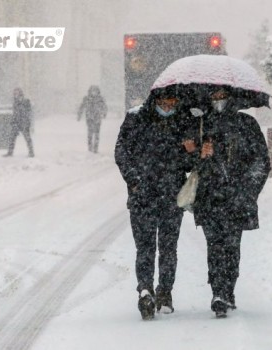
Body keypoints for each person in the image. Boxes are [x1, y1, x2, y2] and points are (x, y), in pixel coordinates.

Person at [183, 86, 270, 318]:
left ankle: (228, 289)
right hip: (209, 197)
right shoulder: (200, 125)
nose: (218, 100)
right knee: (214, 246)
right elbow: (188, 164)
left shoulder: (246, 124)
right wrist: (198, 154)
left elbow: (261, 160)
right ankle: (218, 292)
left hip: (236, 198)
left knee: (231, 247)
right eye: (214, 96)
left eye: (223, 96)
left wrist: (248, 190)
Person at [114, 87, 192, 320]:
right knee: (146, 247)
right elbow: (121, 151)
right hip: (143, 197)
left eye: (172, 104)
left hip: (171, 196)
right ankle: (145, 290)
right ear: (156, 99)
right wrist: (134, 180)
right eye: (165, 103)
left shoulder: (183, 119)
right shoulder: (136, 118)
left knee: (168, 248)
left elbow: (188, 164)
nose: (169, 108)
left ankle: (165, 292)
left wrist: (190, 151)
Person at [4, 88, 34, 158]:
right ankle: (10, 152)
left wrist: (27, 121)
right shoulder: (15, 102)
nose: (15, 94)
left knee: (27, 138)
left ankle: (31, 152)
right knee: (12, 138)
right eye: (14, 93)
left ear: (20, 93)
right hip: (16, 123)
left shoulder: (26, 101)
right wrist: (13, 121)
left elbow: (28, 112)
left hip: (24, 122)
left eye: (16, 93)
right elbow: (15, 113)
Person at [77, 85, 108, 153]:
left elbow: (104, 107)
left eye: (95, 91)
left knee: (97, 134)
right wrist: (79, 115)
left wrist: (104, 113)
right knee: (90, 133)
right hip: (89, 118)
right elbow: (81, 107)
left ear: (98, 91)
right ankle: (90, 147)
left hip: (97, 118)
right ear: (90, 91)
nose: (94, 92)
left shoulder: (100, 99)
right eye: (92, 91)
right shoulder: (86, 98)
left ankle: (95, 148)